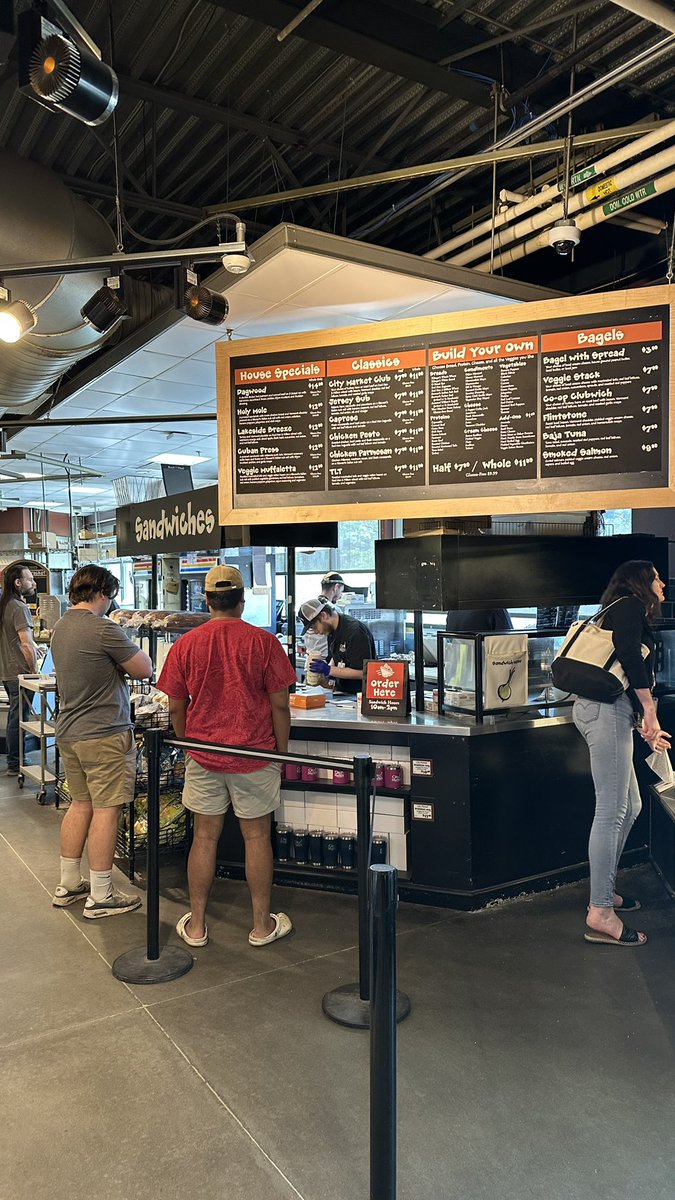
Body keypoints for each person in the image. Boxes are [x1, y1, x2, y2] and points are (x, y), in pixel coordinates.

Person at [157, 565, 296, 949]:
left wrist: (189, 744)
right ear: (242, 600)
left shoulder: (186, 644)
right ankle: (261, 926)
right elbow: (280, 705)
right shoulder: (264, 642)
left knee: (203, 837)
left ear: (206, 600)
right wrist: (281, 753)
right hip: (255, 754)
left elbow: (174, 707)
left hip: (204, 755)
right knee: (257, 838)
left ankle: (198, 926)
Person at [573, 560, 670, 948]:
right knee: (612, 810)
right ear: (641, 582)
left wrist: (644, 725)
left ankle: (604, 889)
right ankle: (600, 911)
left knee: (629, 805)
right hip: (604, 713)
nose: (663, 583)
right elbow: (629, 656)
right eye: (657, 577)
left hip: (609, 711)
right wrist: (649, 710)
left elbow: (623, 673)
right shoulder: (630, 605)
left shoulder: (619, 608)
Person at [51, 566, 153, 917]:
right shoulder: (103, 628)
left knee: (81, 805)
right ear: (105, 593)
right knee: (107, 810)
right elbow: (144, 669)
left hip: (70, 730)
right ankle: (102, 895)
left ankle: (68, 884)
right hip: (105, 733)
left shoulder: (61, 627)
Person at [0, 561, 39, 776]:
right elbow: (25, 643)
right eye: (29, 579)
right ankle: (15, 762)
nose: (33, 583)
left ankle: (14, 759)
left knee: (15, 715)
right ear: (18, 582)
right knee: (19, 717)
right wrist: (33, 671)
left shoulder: (4, 605)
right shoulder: (19, 607)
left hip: (7, 670)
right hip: (20, 672)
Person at [298, 598, 375, 695]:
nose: (317, 632)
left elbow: (363, 672)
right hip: (343, 693)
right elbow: (337, 656)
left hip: (359, 695)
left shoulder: (355, 632)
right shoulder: (332, 631)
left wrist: (329, 670)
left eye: (314, 627)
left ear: (324, 615)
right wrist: (325, 675)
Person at [445, 608, 512, 633]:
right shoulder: (495, 608)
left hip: (456, 662)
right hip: (483, 662)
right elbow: (510, 641)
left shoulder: (453, 610)